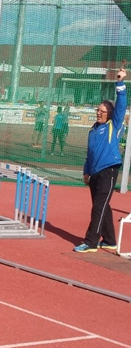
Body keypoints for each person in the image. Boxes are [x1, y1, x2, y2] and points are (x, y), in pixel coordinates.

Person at [73, 67, 127, 253]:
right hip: (95, 173)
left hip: (109, 170)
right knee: (103, 206)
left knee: (98, 208)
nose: (98, 113)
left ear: (110, 114)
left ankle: (91, 242)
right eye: (98, 110)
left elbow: (121, 104)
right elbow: (90, 153)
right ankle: (110, 240)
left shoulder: (115, 124)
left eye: (102, 111)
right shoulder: (93, 130)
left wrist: (120, 82)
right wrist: (86, 171)